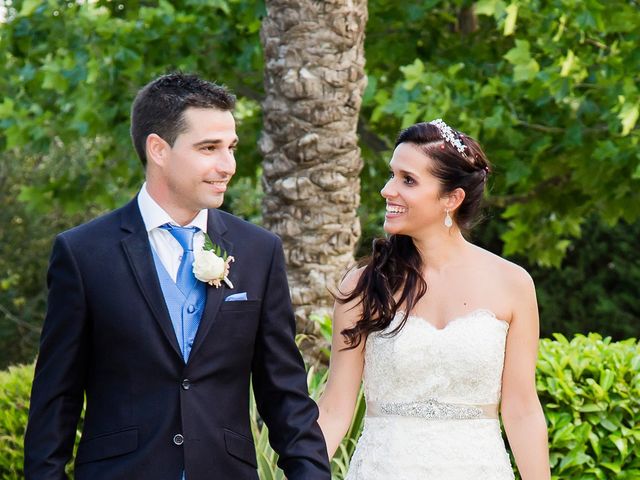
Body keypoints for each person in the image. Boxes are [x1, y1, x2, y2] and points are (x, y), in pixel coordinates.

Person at [24, 73, 331, 480]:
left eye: (231, 148)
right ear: (159, 150)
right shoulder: (83, 254)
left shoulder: (259, 251)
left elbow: (286, 395)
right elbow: (55, 401)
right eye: (209, 148)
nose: (228, 166)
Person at [317, 119, 550, 479]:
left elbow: (521, 408)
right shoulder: (363, 286)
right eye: (392, 175)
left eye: (407, 180)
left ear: (451, 199)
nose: (387, 190)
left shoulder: (512, 284)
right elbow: (334, 409)